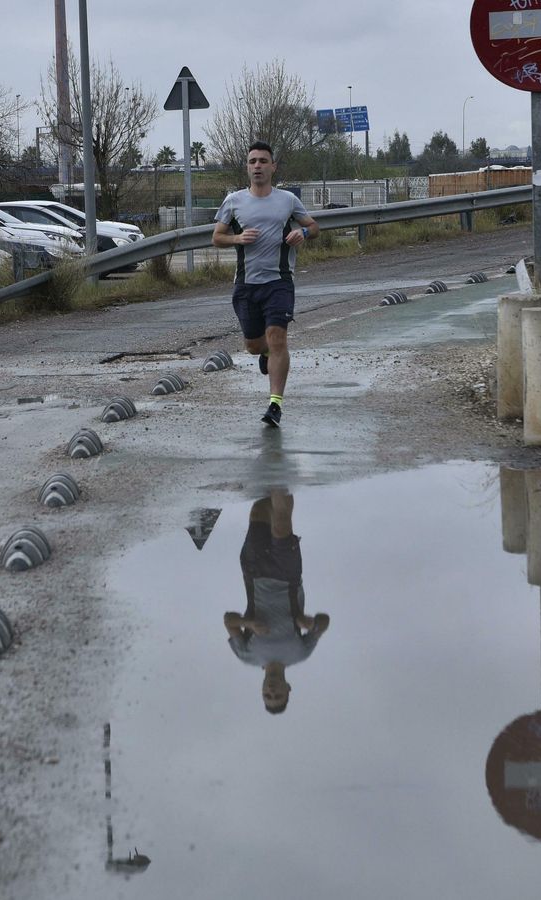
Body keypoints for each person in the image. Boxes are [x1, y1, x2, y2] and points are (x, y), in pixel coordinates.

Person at [211, 141, 320, 428]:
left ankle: (275, 404)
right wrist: (237, 238)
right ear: (247, 168)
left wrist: (303, 234)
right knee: (254, 345)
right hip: (246, 284)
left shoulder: (287, 200)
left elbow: (313, 226)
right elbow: (217, 237)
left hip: (279, 282)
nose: (257, 166)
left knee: (278, 337)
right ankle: (266, 354)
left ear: (273, 167)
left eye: (262, 161)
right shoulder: (233, 201)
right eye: (252, 161)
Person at [223, 488, 329, 714]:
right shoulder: (300, 653)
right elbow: (324, 622)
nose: (271, 691)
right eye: (277, 695)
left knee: (259, 509)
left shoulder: (247, 656)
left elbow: (228, 621)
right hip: (287, 576)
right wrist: (309, 623)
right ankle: (280, 476)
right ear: (288, 689)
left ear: (261, 690)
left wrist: (248, 624)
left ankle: (276, 483)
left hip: (254, 572)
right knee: (281, 525)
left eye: (267, 695)